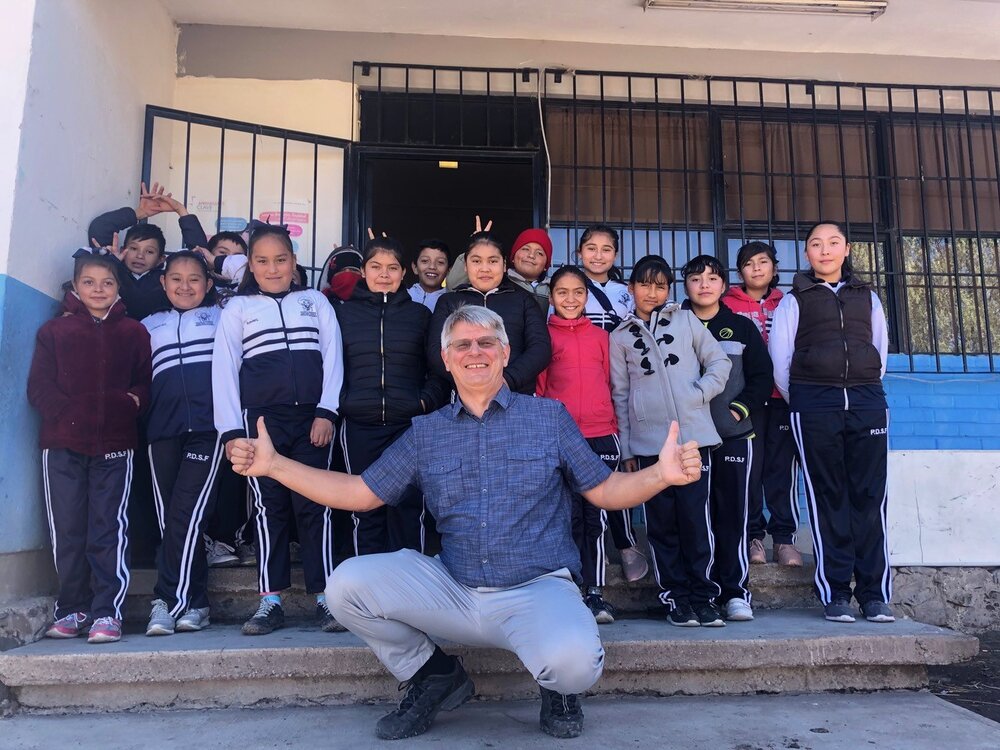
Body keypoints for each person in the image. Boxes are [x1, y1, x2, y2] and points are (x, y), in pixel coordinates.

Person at [227, 305, 704, 741]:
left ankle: (557, 688)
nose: (475, 353)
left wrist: (660, 474)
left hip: (536, 589)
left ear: (504, 352)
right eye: (462, 345)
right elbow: (358, 495)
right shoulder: (426, 432)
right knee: (347, 584)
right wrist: (275, 467)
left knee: (575, 665)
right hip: (453, 589)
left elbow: (604, 491)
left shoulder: (548, 417)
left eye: (485, 343)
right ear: (446, 358)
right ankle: (433, 675)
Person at [212, 225, 345, 635]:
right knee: (269, 508)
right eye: (263, 261)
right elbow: (224, 370)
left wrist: (327, 412)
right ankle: (270, 600)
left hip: (312, 421)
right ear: (250, 265)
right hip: (261, 424)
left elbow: (333, 356)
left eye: (281, 259)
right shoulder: (238, 309)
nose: (272, 268)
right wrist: (233, 431)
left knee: (316, 505)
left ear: (294, 262)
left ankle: (327, 598)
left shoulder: (315, 302)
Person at [769, 221, 893, 624]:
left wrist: (859, 389)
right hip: (813, 406)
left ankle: (874, 595)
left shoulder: (867, 297)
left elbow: (880, 352)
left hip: (866, 401)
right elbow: (781, 363)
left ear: (847, 249)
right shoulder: (795, 300)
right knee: (828, 499)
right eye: (816, 244)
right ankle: (836, 592)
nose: (825, 250)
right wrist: (808, 399)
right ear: (806, 254)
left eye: (833, 243)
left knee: (870, 499)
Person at [27, 252, 152, 644]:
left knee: (108, 527)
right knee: (67, 528)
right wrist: (65, 414)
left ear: (119, 288)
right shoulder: (54, 332)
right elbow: (38, 387)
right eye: (89, 282)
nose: (98, 290)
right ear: (75, 287)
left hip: (115, 442)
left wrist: (128, 403)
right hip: (62, 443)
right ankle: (72, 608)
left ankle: (107, 612)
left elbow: (144, 384)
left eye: (107, 283)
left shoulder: (134, 332)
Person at [610, 255, 731, 627]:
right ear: (631, 288)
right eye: (644, 284)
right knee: (662, 524)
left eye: (660, 285)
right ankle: (675, 598)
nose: (652, 291)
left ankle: (704, 596)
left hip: (693, 439)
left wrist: (697, 394)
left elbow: (719, 363)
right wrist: (628, 449)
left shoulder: (685, 319)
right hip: (649, 446)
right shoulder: (619, 337)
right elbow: (620, 394)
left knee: (696, 521)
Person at [335, 237, 449, 555]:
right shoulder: (342, 315)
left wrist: (423, 402)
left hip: (408, 427)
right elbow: (331, 368)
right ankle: (366, 596)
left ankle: (410, 595)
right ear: (363, 271)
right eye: (376, 267)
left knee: (409, 510)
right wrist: (346, 402)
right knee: (364, 510)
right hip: (359, 425)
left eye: (392, 268)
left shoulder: (420, 316)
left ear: (403, 274)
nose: (384, 274)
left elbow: (438, 370)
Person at [682, 255, 773, 622]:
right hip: (689, 441)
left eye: (712, 278)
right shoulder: (674, 326)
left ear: (723, 285)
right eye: (696, 278)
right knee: (694, 517)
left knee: (733, 516)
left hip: (735, 436)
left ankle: (735, 593)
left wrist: (739, 409)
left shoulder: (741, 328)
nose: (704, 284)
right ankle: (702, 591)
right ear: (685, 284)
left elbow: (762, 377)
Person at [142, 251, 225, 636]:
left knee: (187, 516)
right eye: (176, 278)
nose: (185, 286)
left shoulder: (222, 318)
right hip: (161, 431)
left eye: (195, 279)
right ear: (163, 283)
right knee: (171, 520)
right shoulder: (148, 326)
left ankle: (167, 601)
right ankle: (197, 603)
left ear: (208, 285)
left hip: (208, 430)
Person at [536, 266, 621, 624]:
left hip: (601, 434)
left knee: (595, 518)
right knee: (565, 517)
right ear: (551, 297)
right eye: (562, 292)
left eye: (578, 292)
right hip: (562, 437)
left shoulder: (602, 337)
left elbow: (613, 385)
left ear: (587, 296)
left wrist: (619, 437)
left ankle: (596, 592)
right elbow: (539, 391)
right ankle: (568, 590)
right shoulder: (543, 338)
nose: (570, 299)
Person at [723, 241, 803, 567]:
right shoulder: (727, 304)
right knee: (749, 472)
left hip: (782, 399)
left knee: (781, 471)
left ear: (773, 267)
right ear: (739, 270)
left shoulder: (788, 303)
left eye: (763, 262)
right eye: (749, 263)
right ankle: (753, 537)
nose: (756, 268)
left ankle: (784, 540)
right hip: (745, 402)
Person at [575, 224, 647, 581]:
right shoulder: (570, 288)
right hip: (583, 386)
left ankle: (625, 543)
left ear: (615, 255)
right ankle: (587, 548)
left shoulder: (625, 292)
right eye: (591, 248)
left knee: (619, 466)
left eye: (606, 249)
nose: (598, 255)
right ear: (579, 253)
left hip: (622, 383)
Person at [428, 231, 551, 396]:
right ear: (465, 265)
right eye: (476, 261)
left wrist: (506, 381)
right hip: (462, 399)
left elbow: (540, 349)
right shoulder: (448, 302)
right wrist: (469, 382)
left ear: (504, 264)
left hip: (516, 395)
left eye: (493, 261)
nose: (484, 269)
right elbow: (436, 351)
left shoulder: (523, 300)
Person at [88, 182, 209, 320]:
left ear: (161, 259)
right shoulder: (111, 268)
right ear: (123, 250)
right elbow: (100, 228)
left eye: (149, 252)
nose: (140, 256)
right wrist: (140, 213)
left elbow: (199, 253)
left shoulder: (165, 279)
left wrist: (180, 210)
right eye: (133, 248)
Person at [506, 228, 553, 312]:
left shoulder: (554, 290)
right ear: (513, 257)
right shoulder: (500, 284)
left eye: (539, 253)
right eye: (525, 249)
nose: (531, 255)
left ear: (546, 265)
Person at [407, 239, 450, 312]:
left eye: (440, 262)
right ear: (415, 267)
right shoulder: (403, 296)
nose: (432, 267)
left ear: (449, 270)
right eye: (425, 261)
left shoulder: (451, 302)